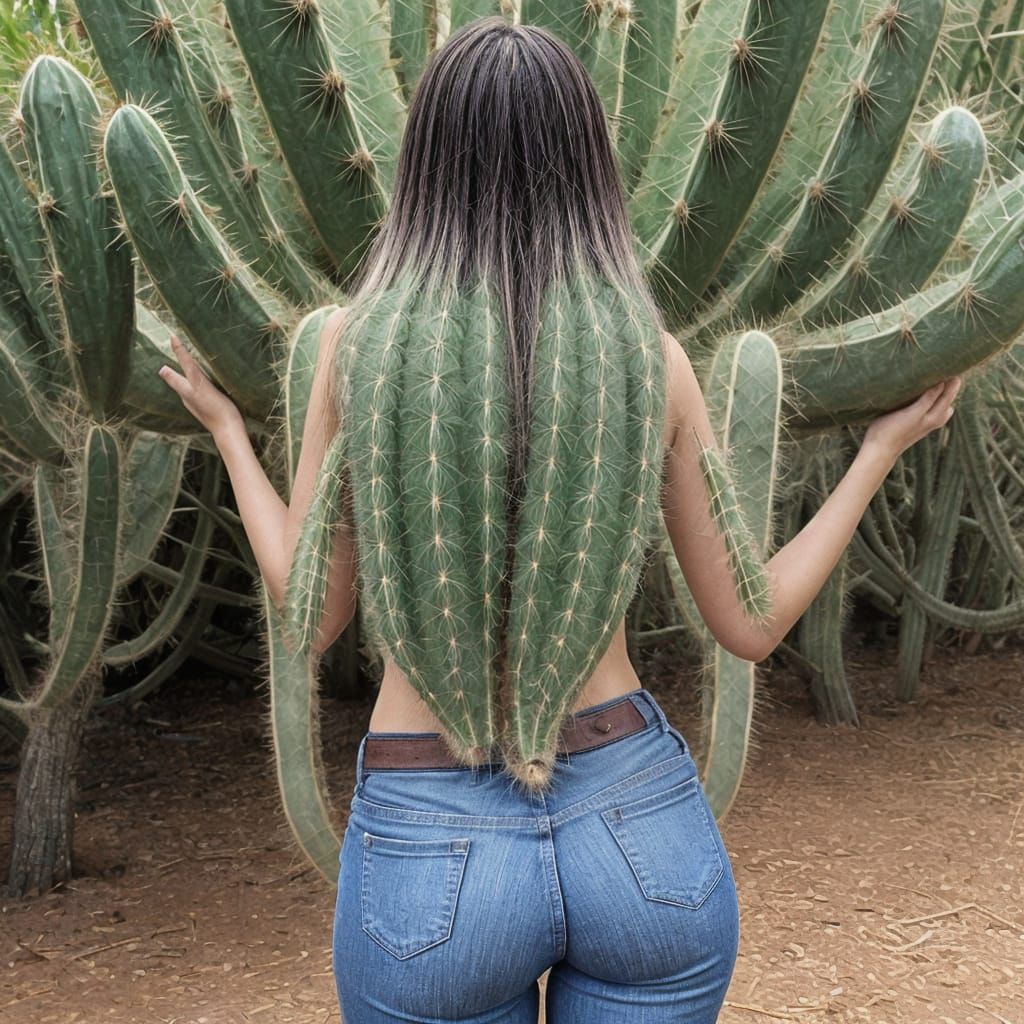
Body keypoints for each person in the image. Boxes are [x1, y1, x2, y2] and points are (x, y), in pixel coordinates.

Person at [158, 15, 961, 1023]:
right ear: (587, 162)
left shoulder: (359, 354)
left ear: (426, 167)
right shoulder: (647, 356)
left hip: (431, 850)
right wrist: (879, 450)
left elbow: (311, 618)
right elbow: (749, 624)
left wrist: (231, 435)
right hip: (636, 828)